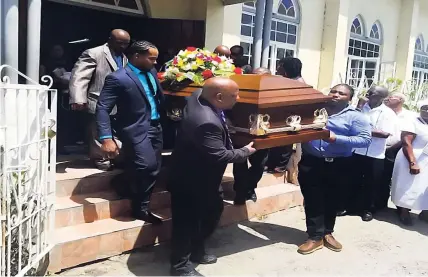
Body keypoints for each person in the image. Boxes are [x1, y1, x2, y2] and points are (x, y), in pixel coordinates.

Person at [167, 77, 256, 276]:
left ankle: (197, 249)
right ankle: (180, 266)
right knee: (186, 222)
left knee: (213, 209)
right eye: (234, 96)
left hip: (204, 177)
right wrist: (245, 151)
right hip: (189, 180)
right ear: (218, 97)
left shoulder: (199, 95)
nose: (238, 98)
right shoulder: (206, 121)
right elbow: (220, 155)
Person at [297, 84, 371, 255]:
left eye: (341, 93)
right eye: (333, 91)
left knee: (333, 200)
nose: (336, 95)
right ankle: (314, 237)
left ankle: (327, 232)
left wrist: (335, 138)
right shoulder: (314, 110)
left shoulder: (355, 117)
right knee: (312, 199)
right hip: (312, 162)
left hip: (340, 165)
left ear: (349, 99)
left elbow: (364, 140)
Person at [96, 40, 164, 224]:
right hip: (134, 128)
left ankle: (141, 208)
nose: (155, 62)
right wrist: (106, 138)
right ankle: (122, 182)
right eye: (152, 58)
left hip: (155, 127)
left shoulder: (151, 72)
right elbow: (103, 108)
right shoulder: (118, 78)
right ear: (136, 56)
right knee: (146, 165)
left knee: (155, 168)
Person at [69, 29, 130, 170]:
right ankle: (100, 159)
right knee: (97, 132)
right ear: (110, 40)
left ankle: (115, 156)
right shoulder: (94, 53)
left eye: (126, 44)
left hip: (118, 102)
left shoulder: (125, 56)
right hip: (97, 98)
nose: (123, 46)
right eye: (120, 43)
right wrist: (78, 98)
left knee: (114, 131)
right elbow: (79, 76)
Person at [352, 86, 397, 221]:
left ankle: (368, 209)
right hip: (356, 150)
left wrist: (361, 130)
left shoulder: (387, 113)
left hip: (375, 154)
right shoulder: (361, 108)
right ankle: (350, 206)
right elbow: (350, 123)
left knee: (371, 183)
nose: (368, 94)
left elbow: (384, 134)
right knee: (352, 179)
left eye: (372, 93)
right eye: (368, 92)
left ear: (381, 97)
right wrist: (359, 106)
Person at [232, 67, 270, 205]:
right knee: (240, 163)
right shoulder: (241, 90)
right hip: (241, 132)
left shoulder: (272, 92)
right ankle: (240, 192)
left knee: (259, 165)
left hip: (263, 135)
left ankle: (250, 188)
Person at [391, 105, 428, 226]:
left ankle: (424, 211)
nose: (427, 110)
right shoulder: (412, 121)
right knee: (408, 185)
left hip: (426, 158)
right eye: (425, 107)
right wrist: (413, 162)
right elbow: (406, 143)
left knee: (422, 187)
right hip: (411, 157)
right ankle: (404, 211)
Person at [266, 57, 304, 173]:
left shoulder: (299, 83)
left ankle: (281, 165)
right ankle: (271, 163)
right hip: (281, 114)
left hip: (291, 116)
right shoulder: (287, 80)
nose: (277, 68)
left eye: (280, 66)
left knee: (286, 141)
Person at [379, 93, 416, 210]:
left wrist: (393, 147)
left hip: (399, 150)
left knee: (400, 178)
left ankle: (402, 208)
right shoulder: (382, 112)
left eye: (392, 97)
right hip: (380, 148)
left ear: (401, 100)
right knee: (382, 177)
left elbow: (408, 135)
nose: (388, 98)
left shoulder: (410, 116)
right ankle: (380, 203)